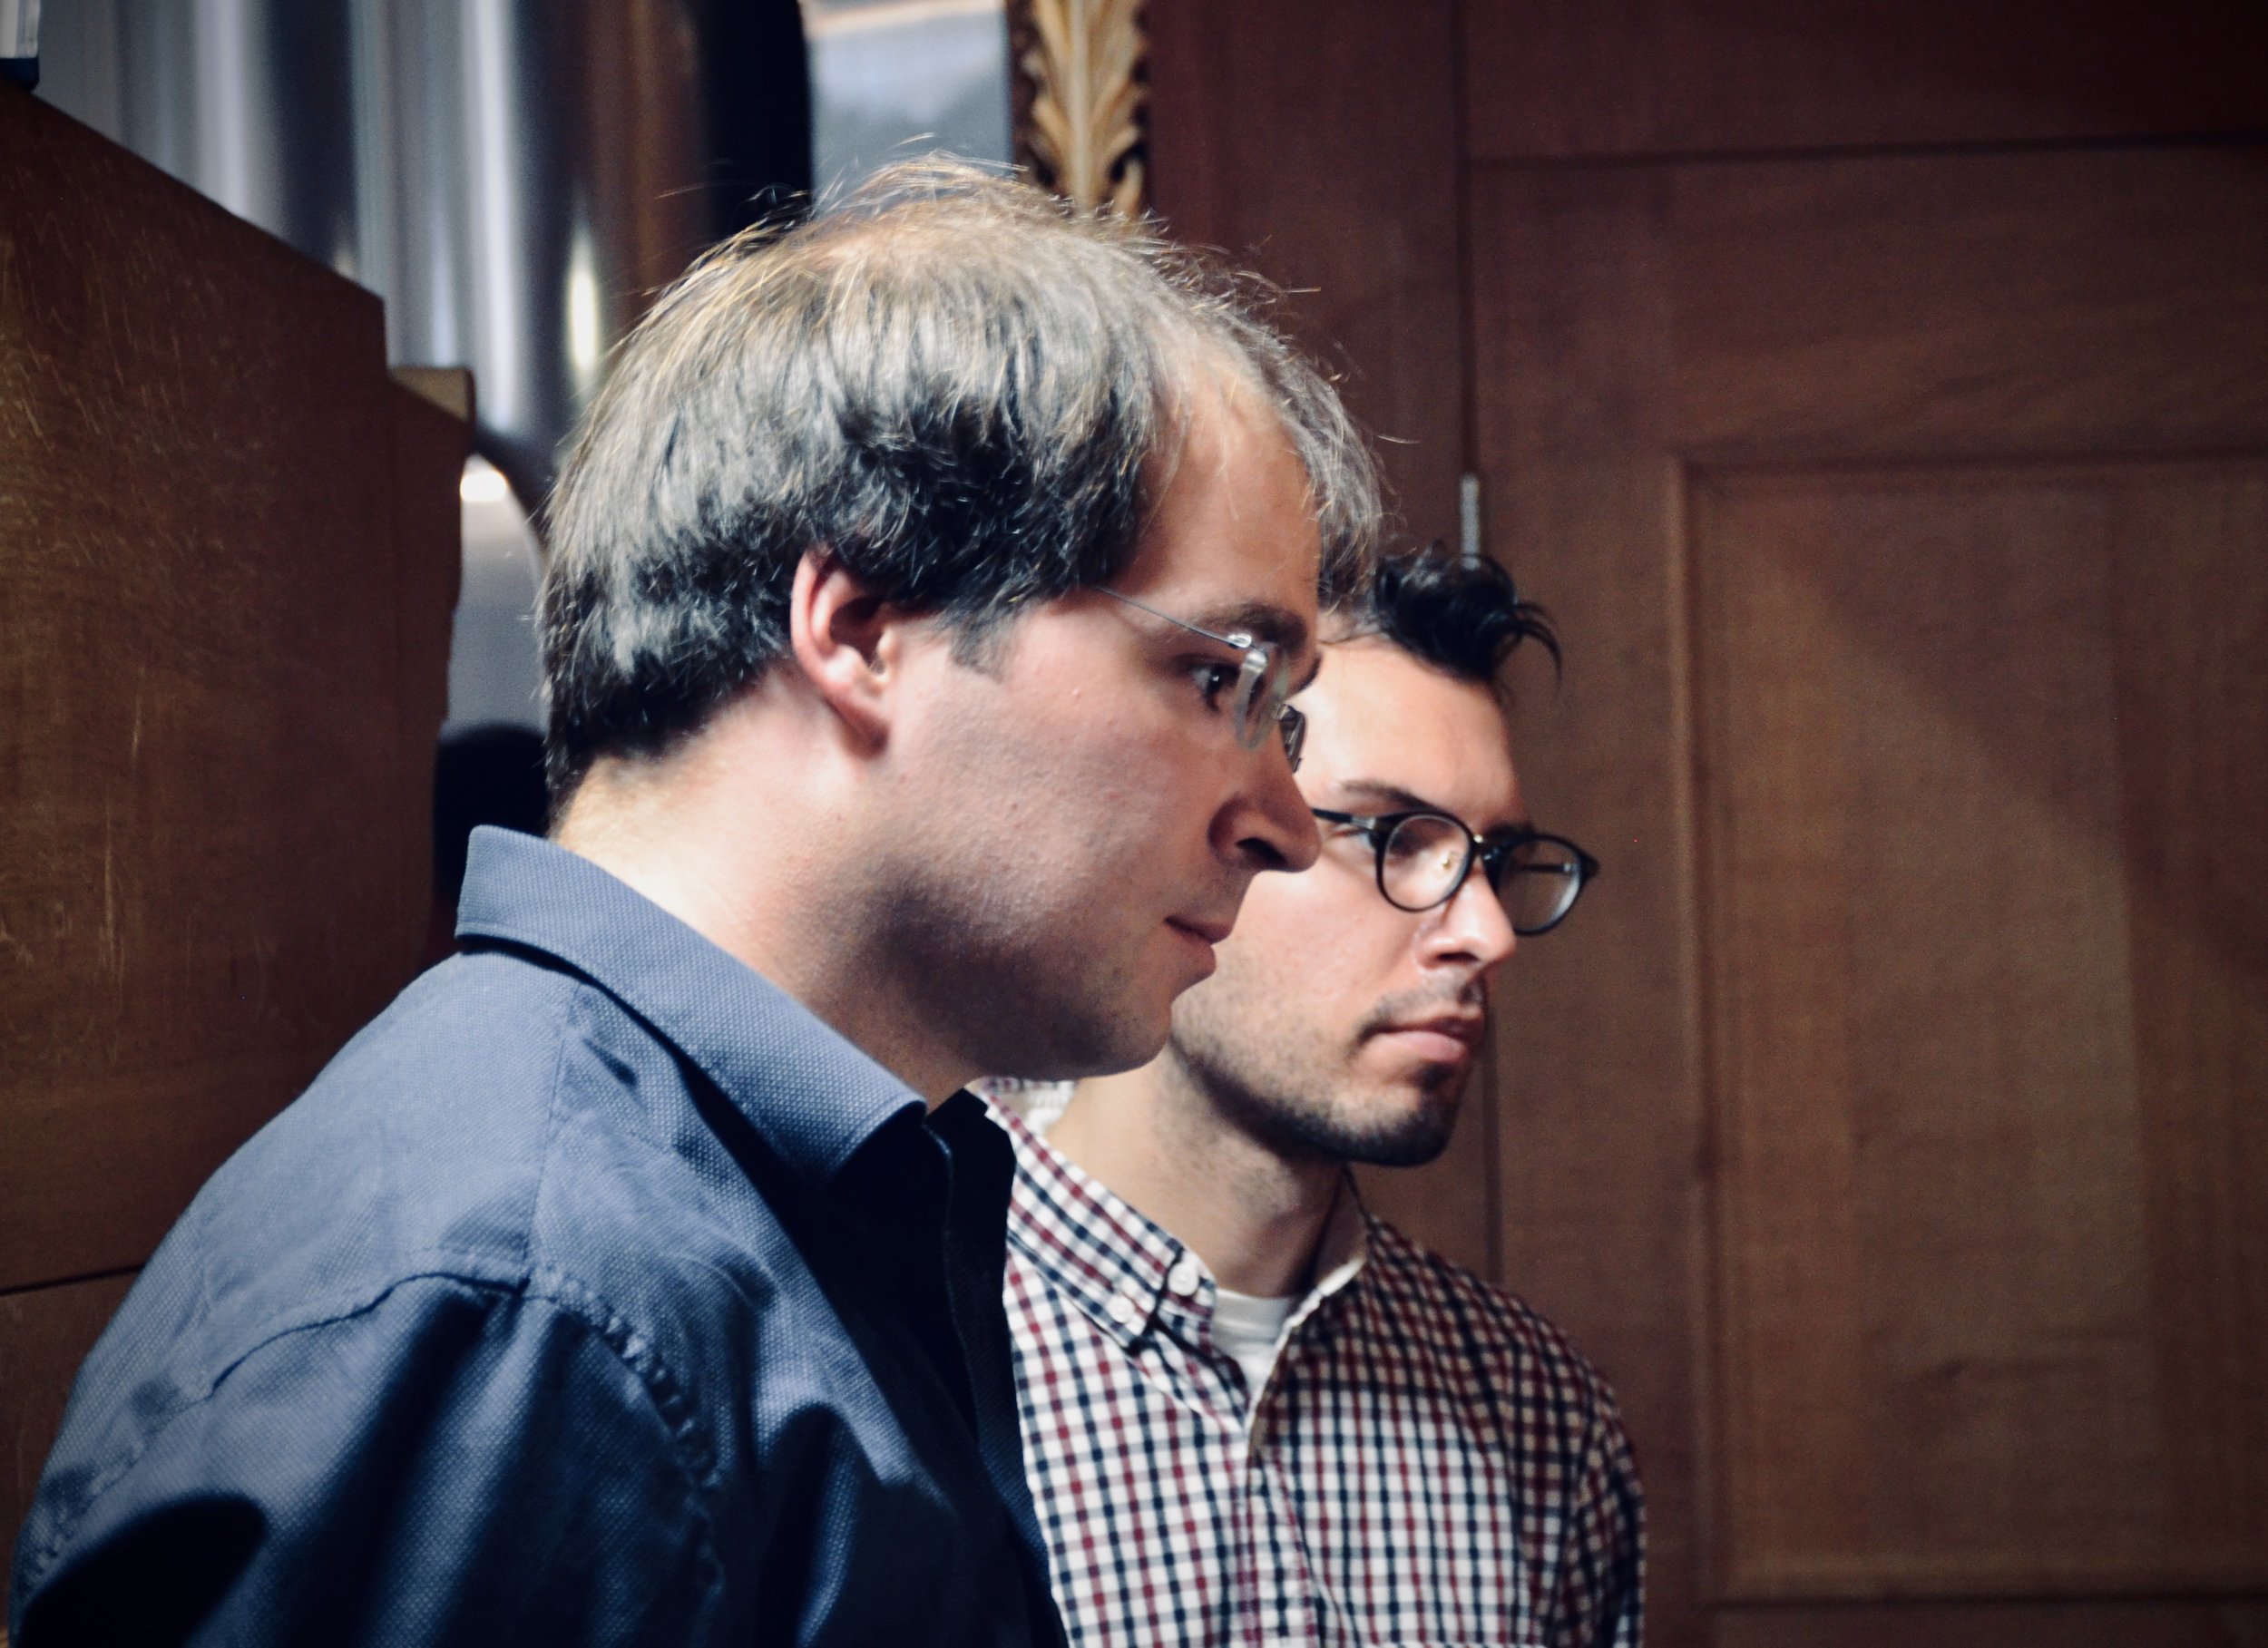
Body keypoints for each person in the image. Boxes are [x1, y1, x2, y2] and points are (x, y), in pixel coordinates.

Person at [9, 161, 1382, 1646]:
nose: (1292, 827)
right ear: (864, 627)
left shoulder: (745, 1204)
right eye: (1221, 680)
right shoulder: (530, 1310)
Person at [990, 542, 1644, 1646]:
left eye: (1497, 860)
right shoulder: (891, 1354)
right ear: (1215, 837)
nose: (1484, 933)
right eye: (1397, 836)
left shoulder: (1536, 1412)